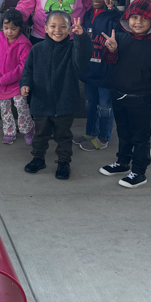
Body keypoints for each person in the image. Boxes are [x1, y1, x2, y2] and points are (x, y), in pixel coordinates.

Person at [98, 0, 151, 188]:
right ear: (127, 18)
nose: (138, 22)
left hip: (141, 100)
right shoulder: (119, 38)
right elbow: (109, 63)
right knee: (124, 132)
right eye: (134, 17)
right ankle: (122, 162)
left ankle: (138, 171)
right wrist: (111, 50)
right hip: (119, 96)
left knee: (141, 137)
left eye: (143, 19)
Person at [20, 12, 93, 180]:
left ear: (69, 30)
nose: (57, 30)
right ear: (45, 28)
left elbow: (84, 57)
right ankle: (38, 158)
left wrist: (81, 37)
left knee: (63, 135)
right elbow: (28, 70)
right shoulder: (37, 49)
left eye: (63, 27)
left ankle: (63, 162)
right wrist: (25, 84)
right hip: (41, 101)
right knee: (40, 134)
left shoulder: (73, 49)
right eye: (53, 26)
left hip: (65, 103)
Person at [74, 0, 121, 151]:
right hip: (89, 71)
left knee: (105, 106)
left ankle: (103, 138)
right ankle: (90, 132)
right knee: (90, 103)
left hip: (106, 73)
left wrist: (112, 13)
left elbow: (121, 31)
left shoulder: (114, 17)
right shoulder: (87, 15)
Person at [0, 8, 34, 145]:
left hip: (17, 83)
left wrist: (5, 79)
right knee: (4, 108)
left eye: (13, 28)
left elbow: (24, 67)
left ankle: (27, 128)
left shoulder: (24, 44)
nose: (9, 32)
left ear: (20, 28)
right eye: (6, 28)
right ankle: (9, 131)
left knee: (20, 105)